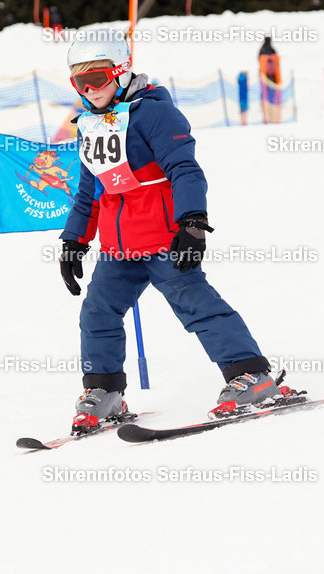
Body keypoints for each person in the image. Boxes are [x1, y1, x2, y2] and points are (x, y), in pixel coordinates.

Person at [59, 31, 277, 434]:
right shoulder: (88, 125)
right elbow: (90, 191)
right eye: (79, 83)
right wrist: (74, 240)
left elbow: (184, 169)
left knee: (197, 306)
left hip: (163, 239)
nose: (90, 90)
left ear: (121, 72)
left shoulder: (155, 114)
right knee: (97, 312)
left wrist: (192, 222)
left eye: (98, 79)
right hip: (119, 247)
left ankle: (252, 375)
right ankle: (104, 390)